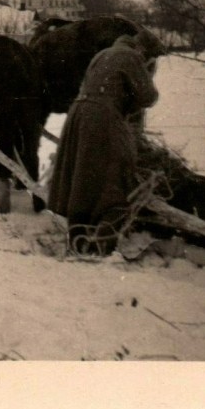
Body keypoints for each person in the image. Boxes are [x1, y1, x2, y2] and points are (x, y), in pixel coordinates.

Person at [48, 33, 162, 254]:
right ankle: (103, 238)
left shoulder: (103, 54)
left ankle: (77, 236)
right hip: (103, 115)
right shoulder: (132, 57)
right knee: (119, 170)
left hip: (79, 114)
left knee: (82, 173)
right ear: (144, 51)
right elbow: (149, 96)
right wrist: (146, 74)